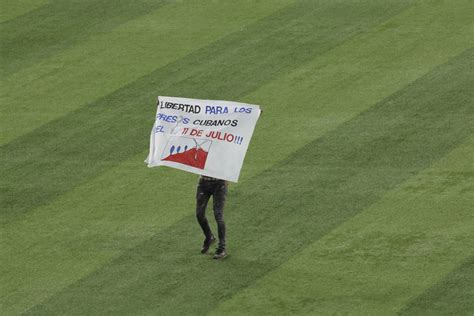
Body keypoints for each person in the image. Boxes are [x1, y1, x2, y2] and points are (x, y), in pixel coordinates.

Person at [195, 175, 228, 259]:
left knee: (218, 215)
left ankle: (222, 248)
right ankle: (209, 237)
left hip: (219, 183)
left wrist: (227, 177)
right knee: (199, 214)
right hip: (203, 182)